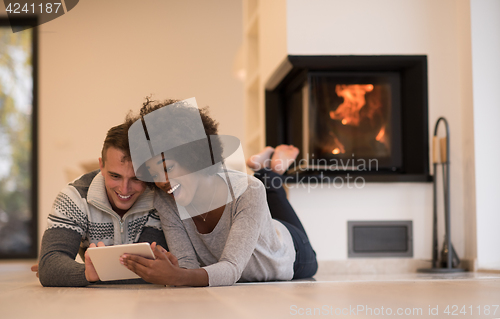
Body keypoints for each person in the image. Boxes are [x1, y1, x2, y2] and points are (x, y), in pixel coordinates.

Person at [120, 98, 317, 287]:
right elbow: (188, 266)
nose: (161, 181)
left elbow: (231, 269)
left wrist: (179, 276)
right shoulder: (166, 200)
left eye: (168, 168)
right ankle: (267, 168)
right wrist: (174, 268)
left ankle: (271, 170)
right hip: (256, 220)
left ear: (193, 158)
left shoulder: (248, 190)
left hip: (289, 251)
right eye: (153, 173)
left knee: (265, 190)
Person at [32, 124, 167, 287]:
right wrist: (85, 273)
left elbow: (153, 268)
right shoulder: (74, 198)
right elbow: (50, 266)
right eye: (115, 176)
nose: (124, 189)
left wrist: (77, 272)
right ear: (101, 166)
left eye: (137, 178)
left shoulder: (159, 197)